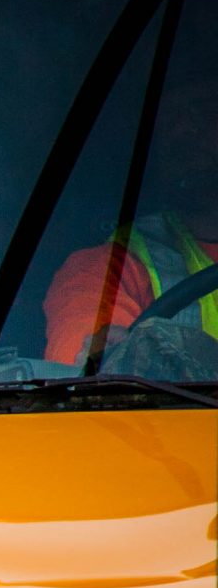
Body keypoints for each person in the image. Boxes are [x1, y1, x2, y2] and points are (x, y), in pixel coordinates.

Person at [43, 33, 218, 371]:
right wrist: (107, 364)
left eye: (204, 111)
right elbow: (93, 373)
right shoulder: (105, 270)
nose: (183, 130)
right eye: (167, 119)